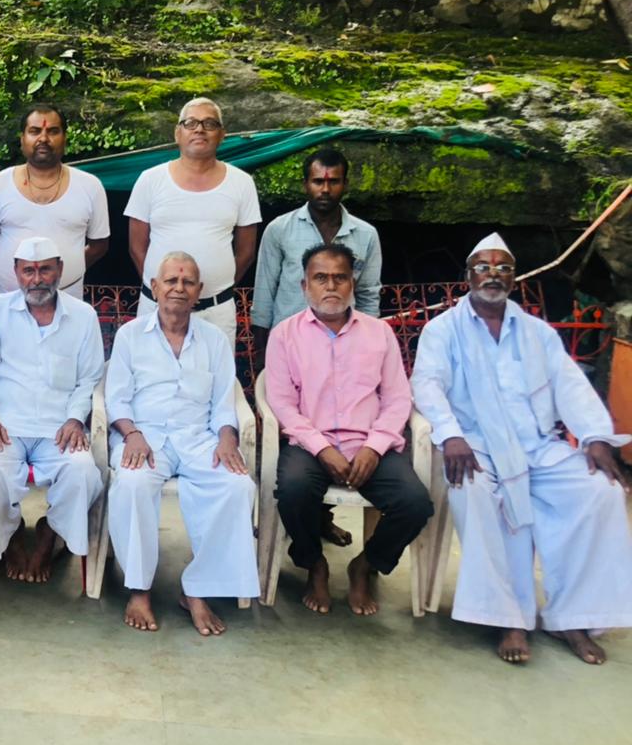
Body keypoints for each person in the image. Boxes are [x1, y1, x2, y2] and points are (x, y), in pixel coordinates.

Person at [412, 233, 632, 665]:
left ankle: (572, 616)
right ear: (468, 276)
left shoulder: (537, 333)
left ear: (514, 277)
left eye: (503, 268)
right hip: (475, 447)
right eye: (483, 267)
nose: (493, 275)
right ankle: (507, 617)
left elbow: (570, 386)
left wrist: (595, 437)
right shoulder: (443, 330)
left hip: (538, 448)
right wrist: (450, 435)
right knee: (473, 491)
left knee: (600, 492)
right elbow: (427, 384)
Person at [265, 243, 433, 615]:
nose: (331, 286)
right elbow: (282, 403)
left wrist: (375, 447)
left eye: (340, 278)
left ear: (352, 283)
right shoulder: (284, 335)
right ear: (305, 285)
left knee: (415, 504)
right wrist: (321, 448)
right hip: (311, 445)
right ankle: (314, 563)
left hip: (368, 444)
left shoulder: (379, 333)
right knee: (293, 490)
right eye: (320, 278)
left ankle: (366, 564)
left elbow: (397, 398)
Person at [106, 252, 259, 636]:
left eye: (188, 282)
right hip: (144, 437)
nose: (179, 288)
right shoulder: (130, 336)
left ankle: (198, 589)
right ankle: (139, 588)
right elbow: (116, 398)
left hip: (198, 438)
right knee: (132, 483)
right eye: (171, 281)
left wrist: (227, 438)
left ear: (199, 291)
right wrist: (132, 434)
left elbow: (224, 402)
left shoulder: (214, 340)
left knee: (237, 486)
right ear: (155, 287)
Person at [251, 147, 382, 547]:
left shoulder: (365, 235)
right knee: (287, 441)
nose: (325, 189)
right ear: (305, 183)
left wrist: (367, 350)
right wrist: (262, 362)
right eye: (317, 181)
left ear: (345, 184)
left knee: (336, 431)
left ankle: (321, 521)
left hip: (345, 352)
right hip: (291, 353)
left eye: (333, 181)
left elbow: (369, 297)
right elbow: (264, 297)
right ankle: (278, 520)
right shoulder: (280, 230)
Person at [0, 236, 105, 583]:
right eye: (29, 271)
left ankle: (48, 535)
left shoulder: (83, 316)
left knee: (83, 473)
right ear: (16, 273)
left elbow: (89, 379)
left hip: (60, 428)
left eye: (45, 270)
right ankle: (10, 535)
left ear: (60, 270)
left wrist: (75, 418)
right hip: (5, 426)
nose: (37, 279)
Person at [126, 97, 260, 344]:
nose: (199, 129)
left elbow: (246, 252)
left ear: (222, 135)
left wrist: (214, 288)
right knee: (150, 367)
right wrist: (166, 292)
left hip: (216, 311)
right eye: (191, 123)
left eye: (209, 123)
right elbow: (136, 247)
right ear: (177, 133)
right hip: (156, 307)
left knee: (215, 370)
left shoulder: (242, 183)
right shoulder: (150, 180)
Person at [0, 104, 109, 299]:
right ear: (22, 139)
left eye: (53, 131)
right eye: (34, 131)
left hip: (68, 301)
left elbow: (99, 245)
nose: (43, 139)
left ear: (65, 138)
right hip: (9, 302)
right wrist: (13, 268)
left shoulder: (90, 186)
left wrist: (67, 267)